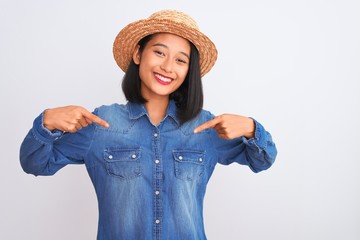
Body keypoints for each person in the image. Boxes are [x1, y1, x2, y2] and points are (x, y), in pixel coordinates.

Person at [20, 9, 277, 240]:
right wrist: (46, 122)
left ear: (189, 70)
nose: (167, 66)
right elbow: (35, 163)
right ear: (138, 54)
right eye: (159, 52)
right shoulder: (102, 124)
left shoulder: (206, 127)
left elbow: (262, 160)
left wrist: (252, 128)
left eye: (180, 60)